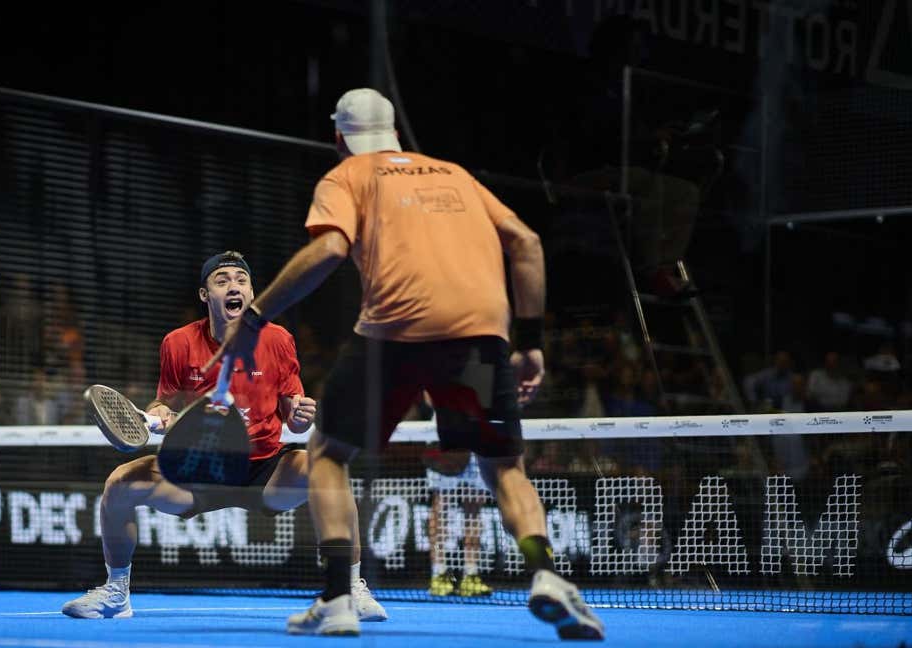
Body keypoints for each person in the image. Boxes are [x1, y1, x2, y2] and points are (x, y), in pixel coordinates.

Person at [209, 89, 604, 639]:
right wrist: (531, 343)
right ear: (395, 130)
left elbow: (326, 252)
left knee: (327, 451)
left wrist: (253, 319)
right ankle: (546, 575)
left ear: (339, 137)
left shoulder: (346, 176)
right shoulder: (456, 176)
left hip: (396, 334)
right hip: (479, 339)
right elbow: (528, 243)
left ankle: (338, 599)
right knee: (503, 465)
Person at [61, 251, 386, 622]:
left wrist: (299, 414)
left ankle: (350, 589)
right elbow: (164, 402)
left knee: (327, 467)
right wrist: (159, 413)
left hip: (264, 471)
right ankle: (116, 594)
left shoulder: (278, 340)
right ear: (205, 295)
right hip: (200, 469)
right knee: (119, 484)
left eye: (241, 279)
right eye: (222, 280)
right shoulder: (179, 343)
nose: (234, 286)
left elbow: (292, 416)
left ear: (251, 292)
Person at [561, 14, 708, 298]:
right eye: (635, 45)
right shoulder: (588, 83)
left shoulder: (625, 88)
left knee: (685, 192)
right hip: (585, 173)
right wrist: (643, 139)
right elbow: (593, 136)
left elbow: (632, 134)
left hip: (622, 172)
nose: (640, 52)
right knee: (646, 184)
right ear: (618, 47)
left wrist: (658, 136)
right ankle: (649, 271)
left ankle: (665, 268)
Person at [426, 451, 494, 598]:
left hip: (476, 446)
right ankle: (439, 573)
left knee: (474, 503)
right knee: (441, 503)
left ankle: (470, 574)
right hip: (446, 441)